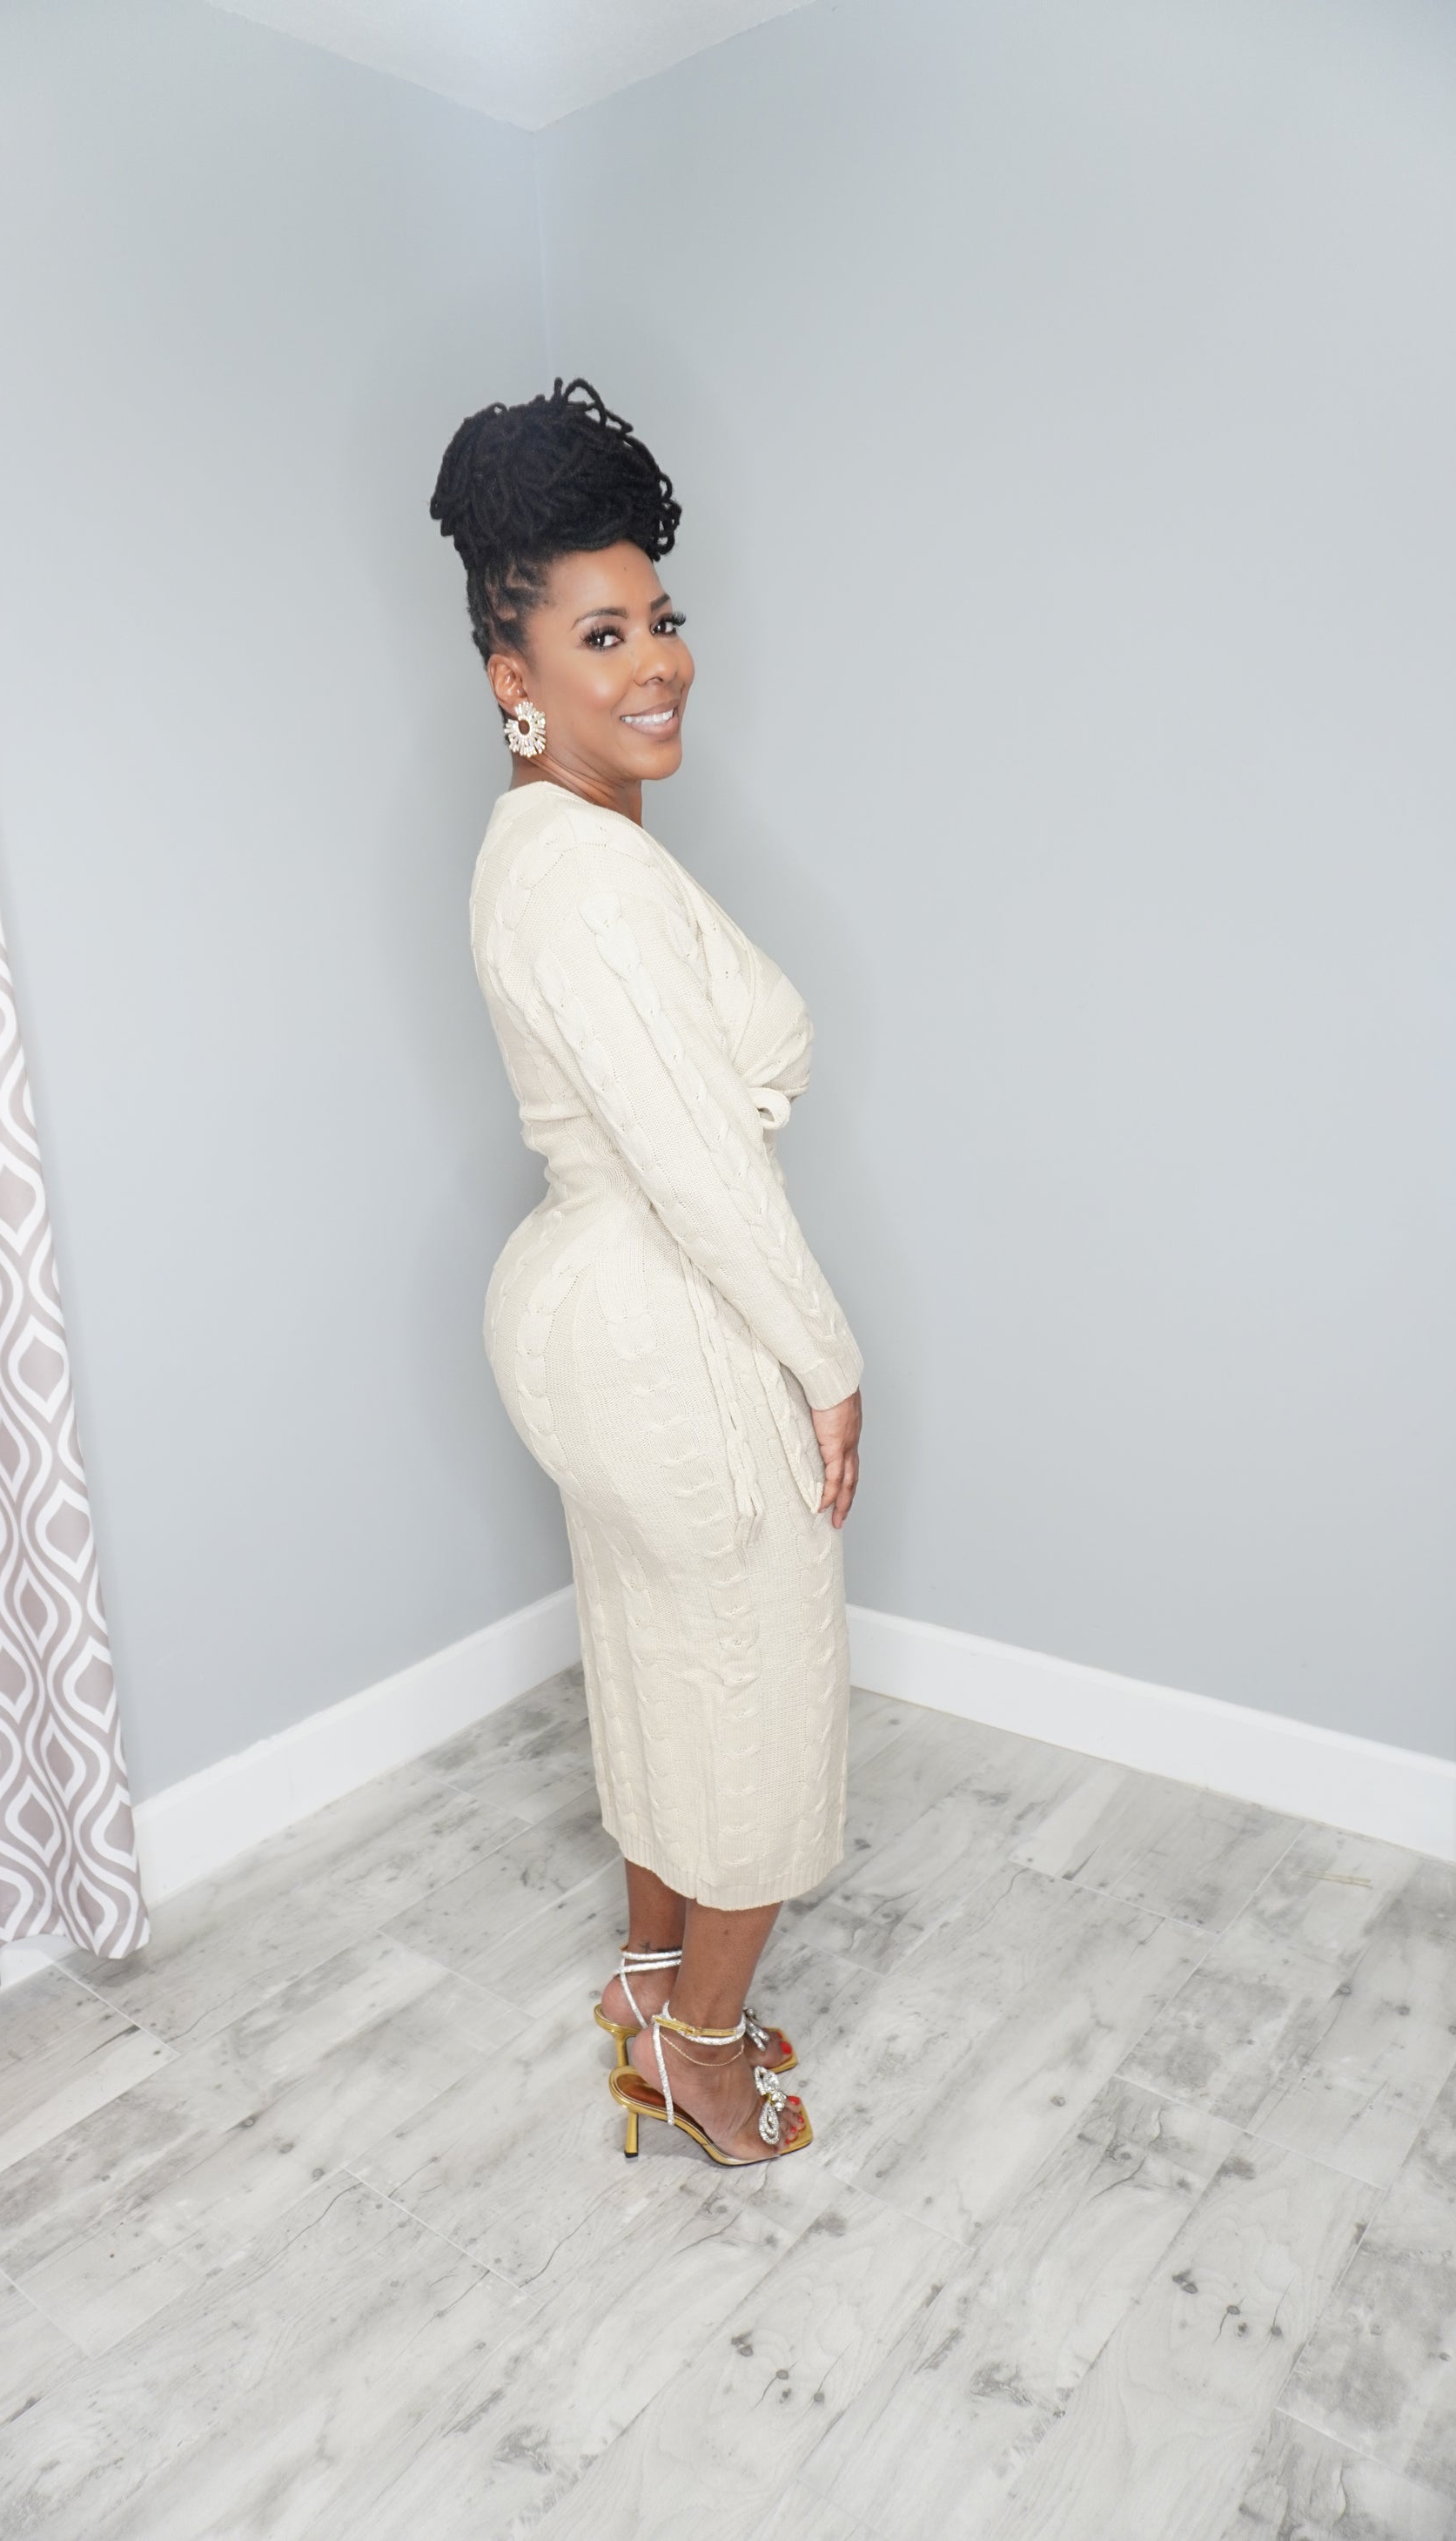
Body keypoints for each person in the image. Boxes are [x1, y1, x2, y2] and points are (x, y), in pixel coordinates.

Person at [430, 380, 863, 2167]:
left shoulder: (553, 845)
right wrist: (828, 1360)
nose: (659, 661)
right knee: (758, 1685)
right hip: (658, 1304)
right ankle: (699, 2049)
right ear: (512, 678)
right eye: (601, 635)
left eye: (661, 619)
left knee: (654, 1648)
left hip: (585, 1302)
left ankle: (645, 1976)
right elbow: (700, 1165)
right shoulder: (588, 878)